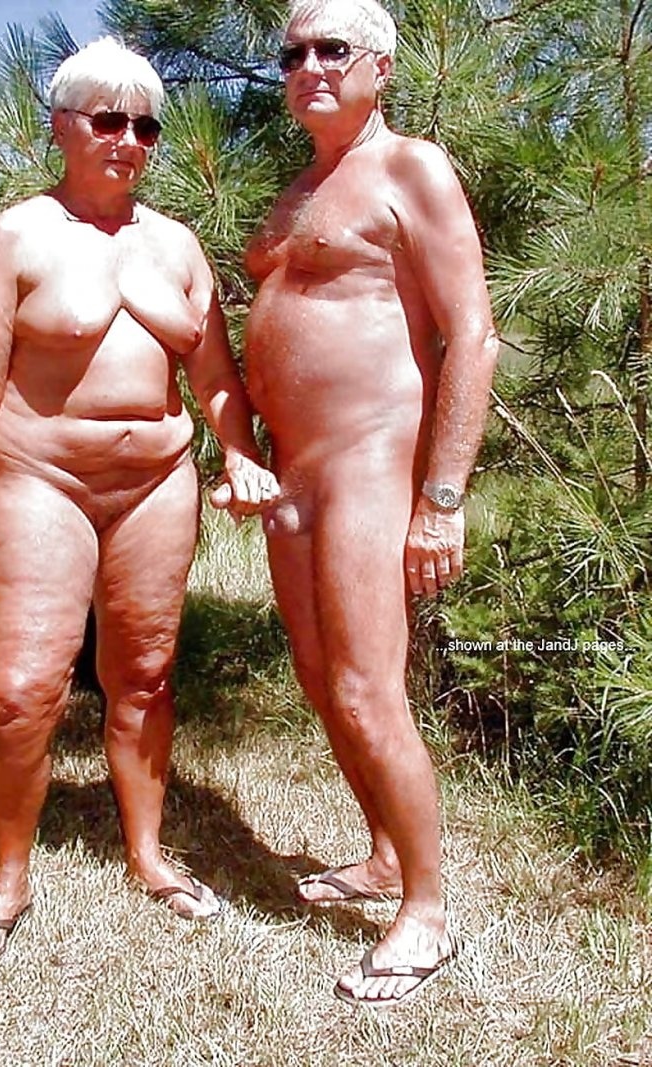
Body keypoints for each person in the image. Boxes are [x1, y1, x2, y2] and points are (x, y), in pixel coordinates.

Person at [0, 36, 279, 967]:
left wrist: (240, 451)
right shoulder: (16, 236)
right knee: (19, 693)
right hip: (40, 479)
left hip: (157, 483)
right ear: (62, 126)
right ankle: (8, 878)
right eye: (108, 120)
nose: (129, 139)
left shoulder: (175, 245)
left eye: (146, 126)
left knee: (145, 676)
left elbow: (214, 377)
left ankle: (148, 853)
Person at [244, 0, 498, 1006]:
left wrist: (441, 499)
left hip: (369, 462)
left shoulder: (410, 168)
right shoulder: (299, 190)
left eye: (331, 49)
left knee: (364, 687)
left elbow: (471, 333)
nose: (308, 65)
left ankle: (426, 912)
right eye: (292, 53)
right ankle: (387, 855)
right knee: (319, 677)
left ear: (380, 67)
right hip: (292, 470)